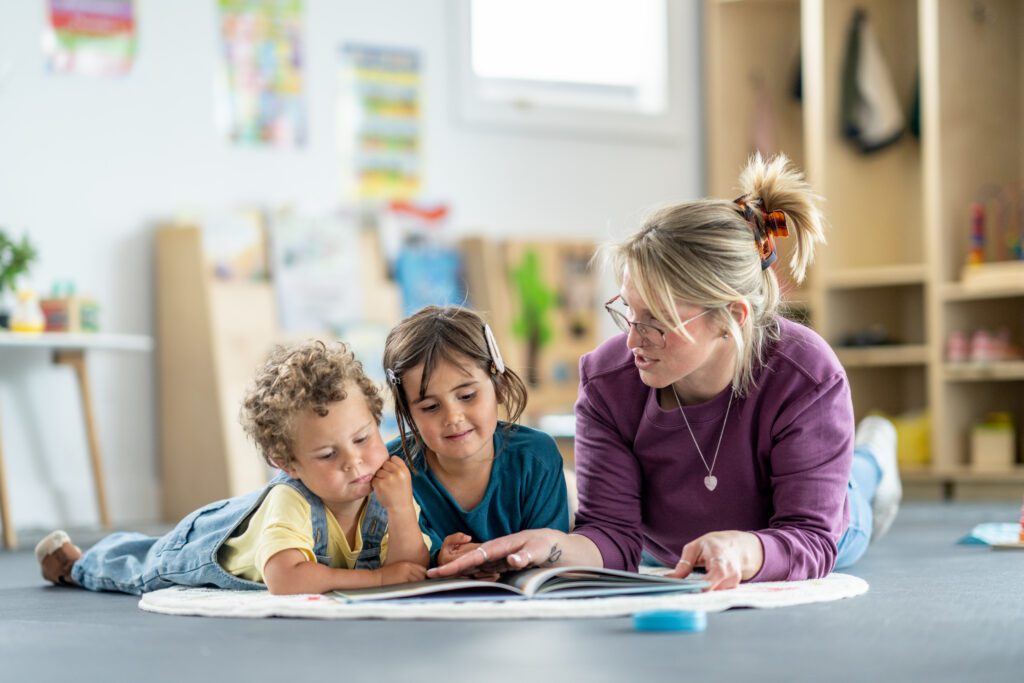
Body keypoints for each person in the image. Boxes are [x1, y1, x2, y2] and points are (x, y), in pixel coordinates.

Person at [428, 153, 902, 590]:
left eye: (659, 322)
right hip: (680, 552)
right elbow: (612, 538)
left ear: (732, 318)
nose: (634, 339)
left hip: (798, 533)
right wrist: (544, 547)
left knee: (853, 496)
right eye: (629, 312)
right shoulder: (606, 380)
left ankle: (875, 456)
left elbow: (811, 538)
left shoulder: (807, 376)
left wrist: (746, 548)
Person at [35, 340, 430, 595]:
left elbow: (408, 570)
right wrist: (375, 579)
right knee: (144, 567)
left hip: (250, 526)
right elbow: (287, 578)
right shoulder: (291, 501)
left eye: (363, 439)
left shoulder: (389, 490)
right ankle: (75, 565)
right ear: (286, 463)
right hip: (209, 546)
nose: (354, 461)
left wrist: (400, 511)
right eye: (328, 455)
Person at [382, 305, 570, 568]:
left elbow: (553, 559)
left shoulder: (537, 457)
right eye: (430, 407)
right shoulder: (392, 471)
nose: (453, 417)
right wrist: (437, 559)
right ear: (408, 413)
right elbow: (389, 565)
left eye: (467, 396)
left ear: (499, 385)